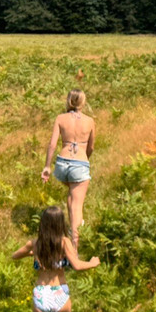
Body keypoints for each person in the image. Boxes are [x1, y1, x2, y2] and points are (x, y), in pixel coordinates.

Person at [41, 89, 95, 246]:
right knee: (77, 205)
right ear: (83, 102)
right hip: (80, 164)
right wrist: (84, 160)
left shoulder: (60, 118)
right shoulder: (90, 121)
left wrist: (47, 167)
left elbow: (52, 144)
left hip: (62, 164)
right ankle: (74, 248)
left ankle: (73, 225)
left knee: (72, 197)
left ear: (68, 100)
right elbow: (91, 147)